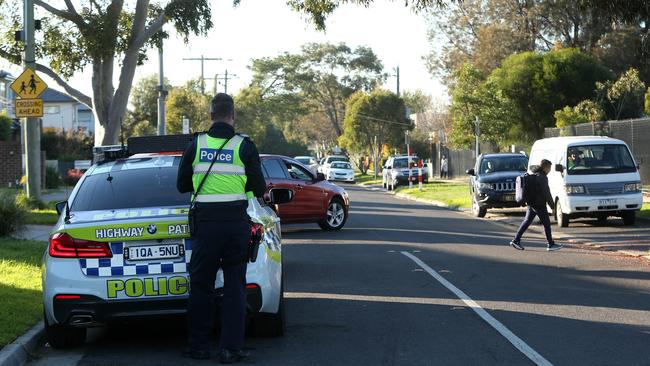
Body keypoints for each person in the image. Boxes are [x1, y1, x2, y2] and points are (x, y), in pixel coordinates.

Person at [177, 93, 266, 364]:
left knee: (201, 284)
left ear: (211, 114)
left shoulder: (196, 144)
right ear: (233, 115)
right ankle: (231, 348)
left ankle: (199, 346)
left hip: (205, 226)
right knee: (235, 286)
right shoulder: (245, 146)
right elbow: (259, 188)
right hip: (236, 226)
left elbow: (182, 185)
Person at [509, 159, 562, 251]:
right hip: (539, 204)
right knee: (546, 224)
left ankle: (516, 240)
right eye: (549, 168)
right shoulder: (542, 177)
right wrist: (552, 206)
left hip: (531, 203)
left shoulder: (535, 175)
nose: (550, 170)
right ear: (546, 167)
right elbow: (546, 193)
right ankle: (550, 244)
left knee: (527, 221)